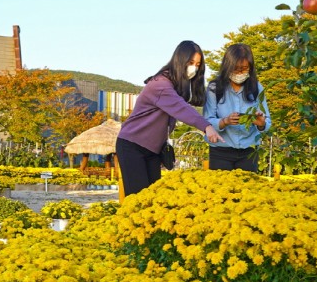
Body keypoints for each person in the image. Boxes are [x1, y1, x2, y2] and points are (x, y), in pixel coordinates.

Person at [116, 41, 223, 196]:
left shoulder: (178, 87)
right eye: (191, 62)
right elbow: (181, 108)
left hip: (152, 150)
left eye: (198, 64)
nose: (194, 67)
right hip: (132, 145)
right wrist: (206, 126)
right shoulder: (161, 84)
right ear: (179, 61)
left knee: (154, 200)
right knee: (138, 200)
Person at [203, 44, 271, 172]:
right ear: (227, 66)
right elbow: (206, 121)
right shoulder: (214, 88)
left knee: (247, 189)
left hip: (249, 151)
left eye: (244, 69)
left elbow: (267, 121)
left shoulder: (257, 88)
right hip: (220, 150)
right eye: (236, 69)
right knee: (221, 190)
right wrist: (225, 121)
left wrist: (261, 124)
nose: (240, 73)